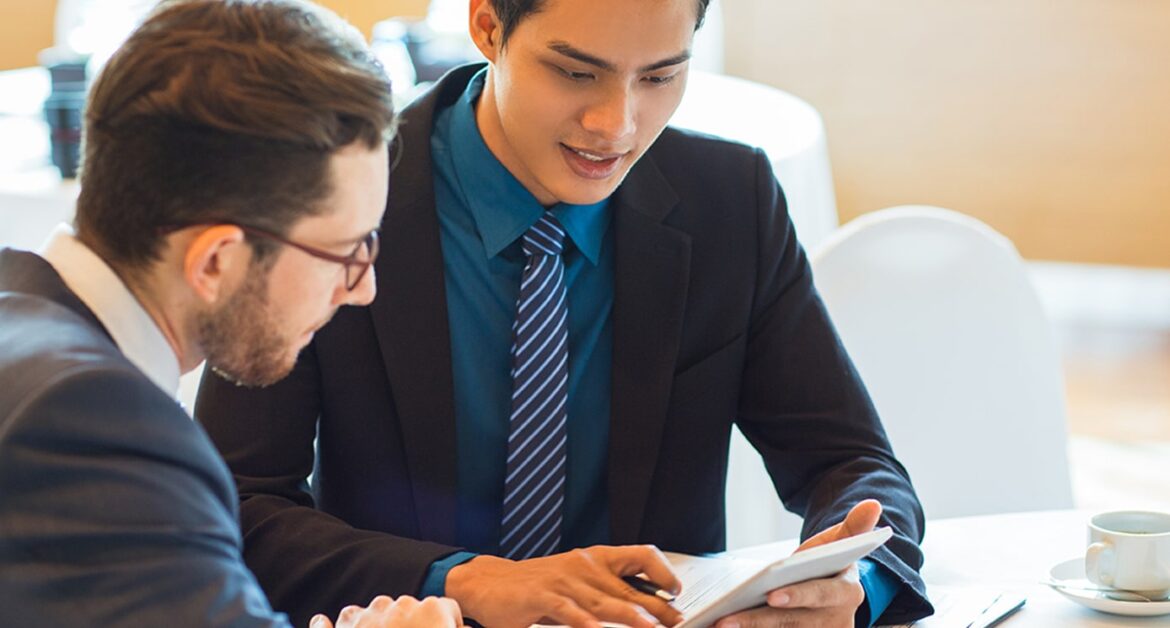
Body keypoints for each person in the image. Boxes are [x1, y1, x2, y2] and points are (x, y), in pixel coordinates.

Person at [196, 0, 935, 626]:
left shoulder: (730, 199)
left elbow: (852, 464)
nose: (616, 124)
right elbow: (236, 508)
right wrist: (464, 580)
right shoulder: (337, 192)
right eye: (576, 72)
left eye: (659, 76)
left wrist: (854, 584)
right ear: (487, 26)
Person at [0, 1, 464, 626]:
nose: (362, 290)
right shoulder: (94, 424)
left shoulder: (22, 313)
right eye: (345, 252)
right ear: (217, 261)